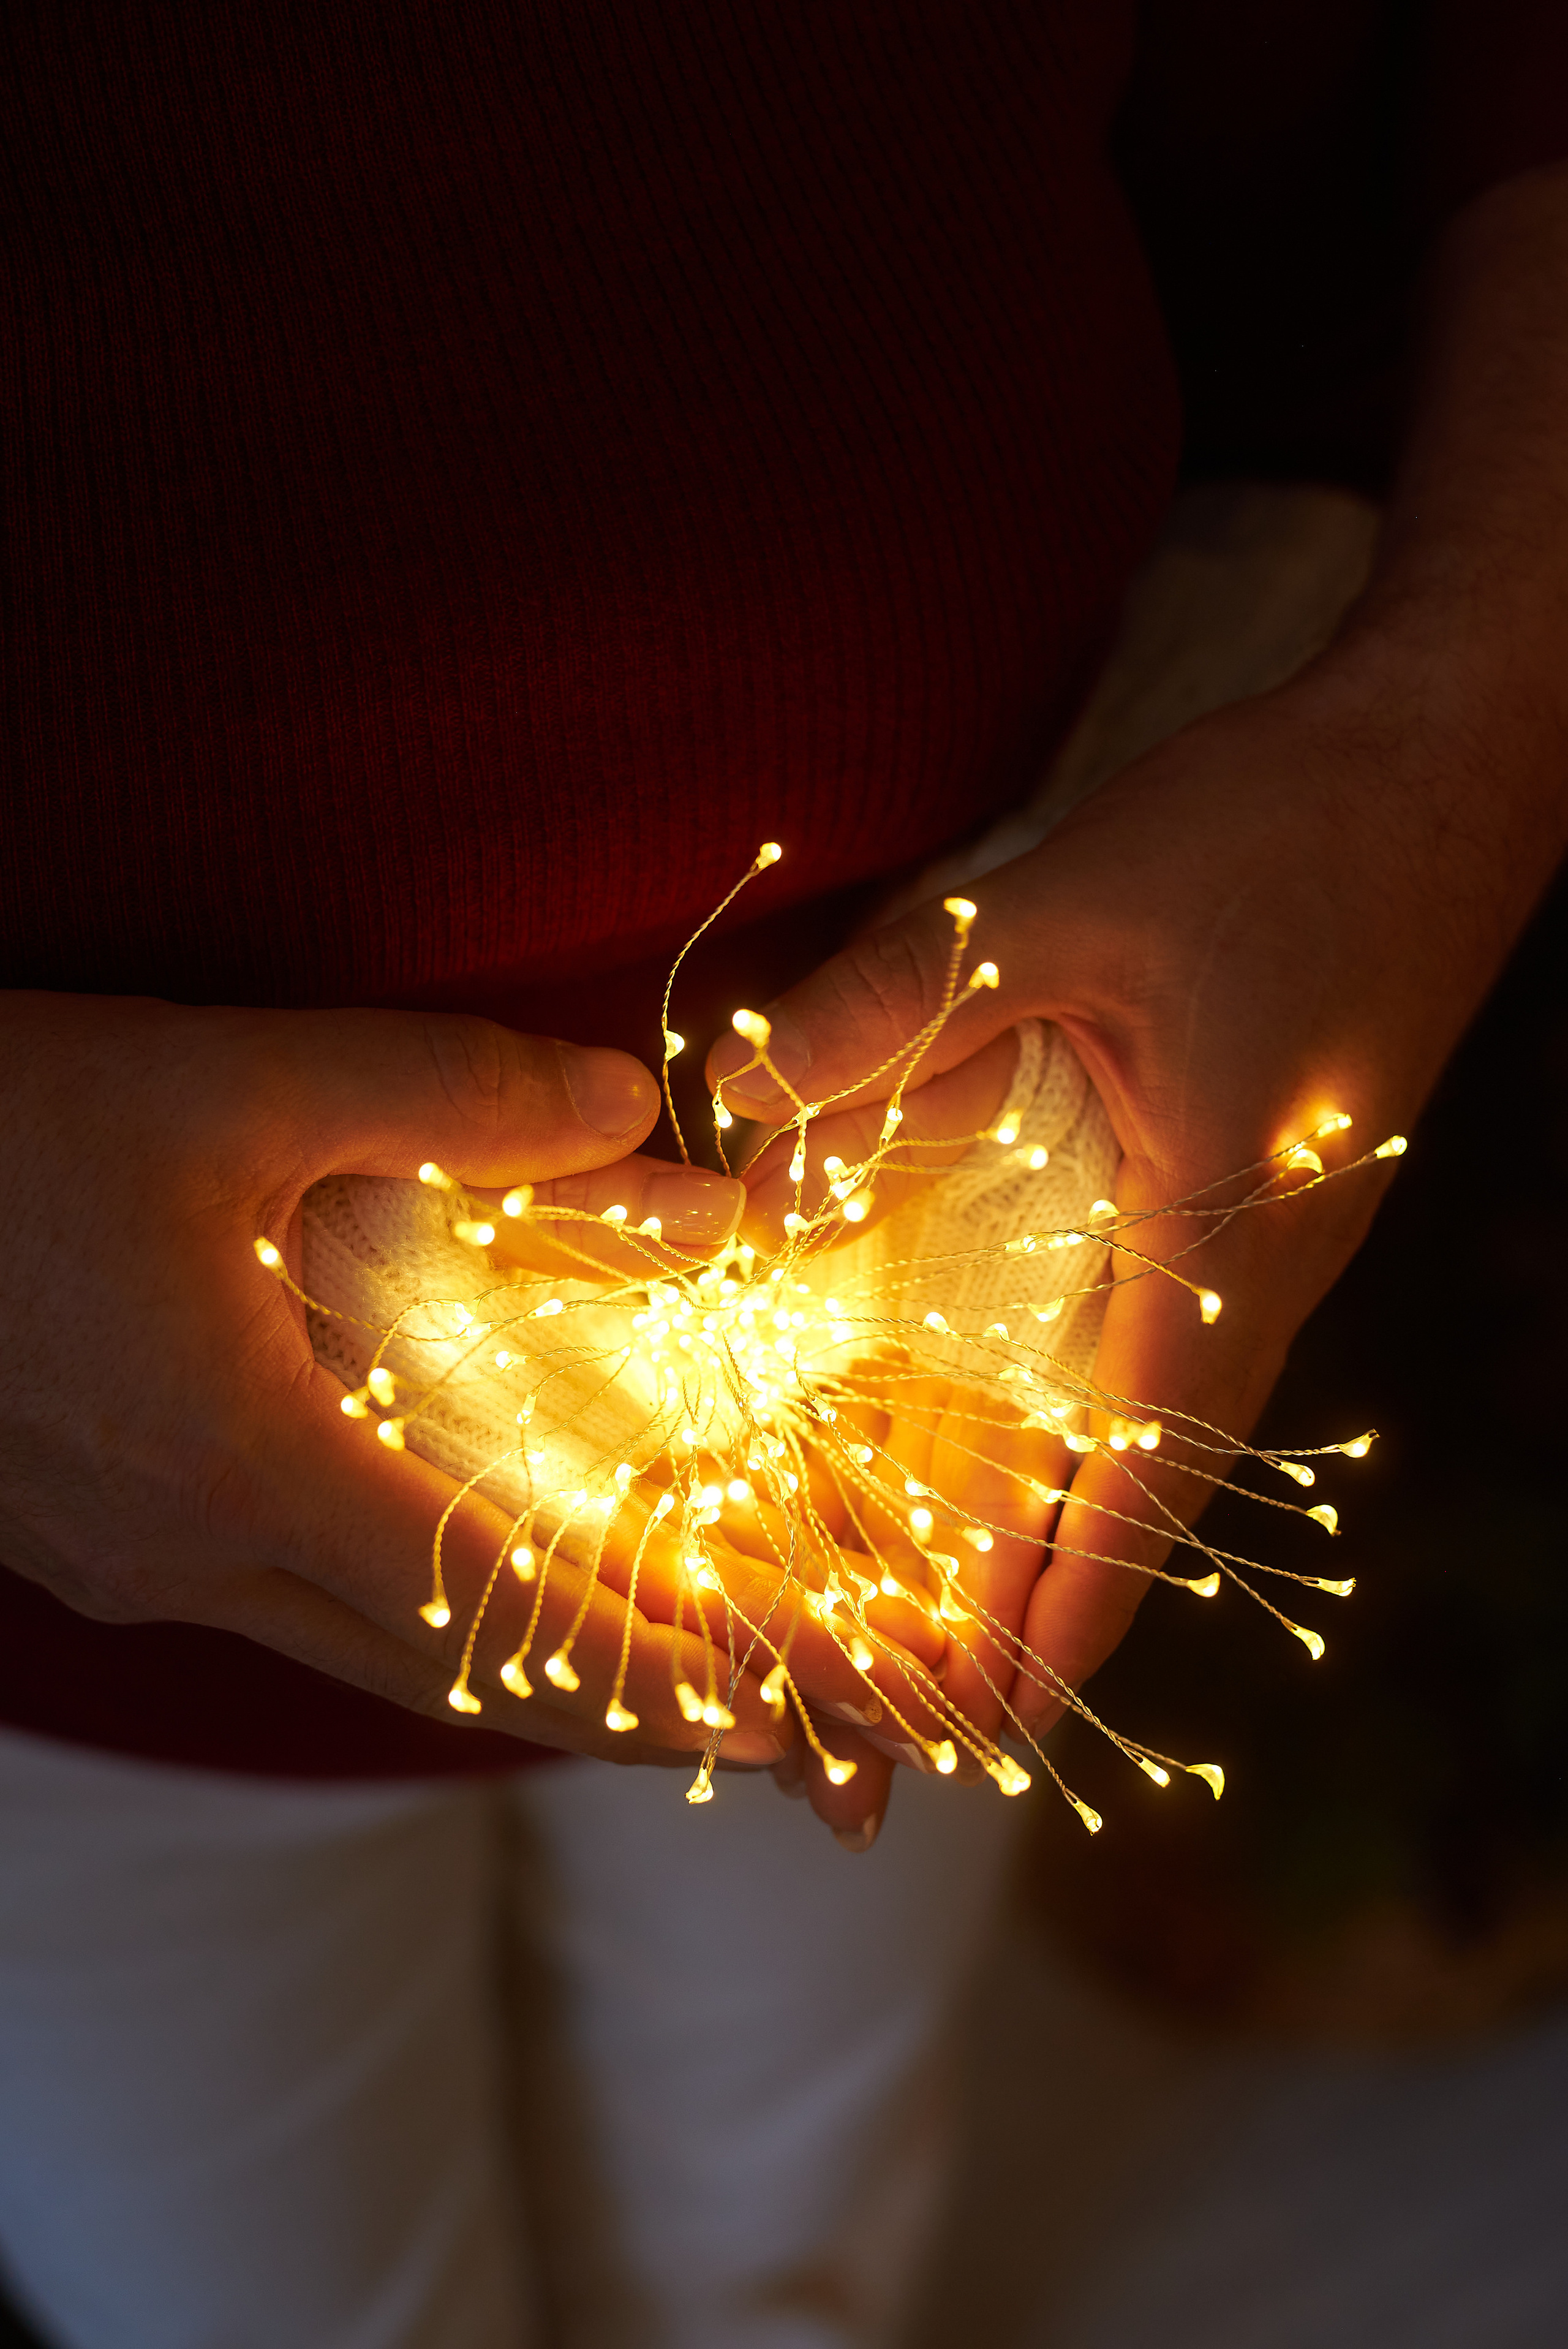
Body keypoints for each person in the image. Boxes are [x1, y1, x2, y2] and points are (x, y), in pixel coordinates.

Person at [1, 6, 1565, 2345]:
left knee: (800, 2182)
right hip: (70, 1636)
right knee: (262, 2286)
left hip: (966, 1393)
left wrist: (1470, 727)